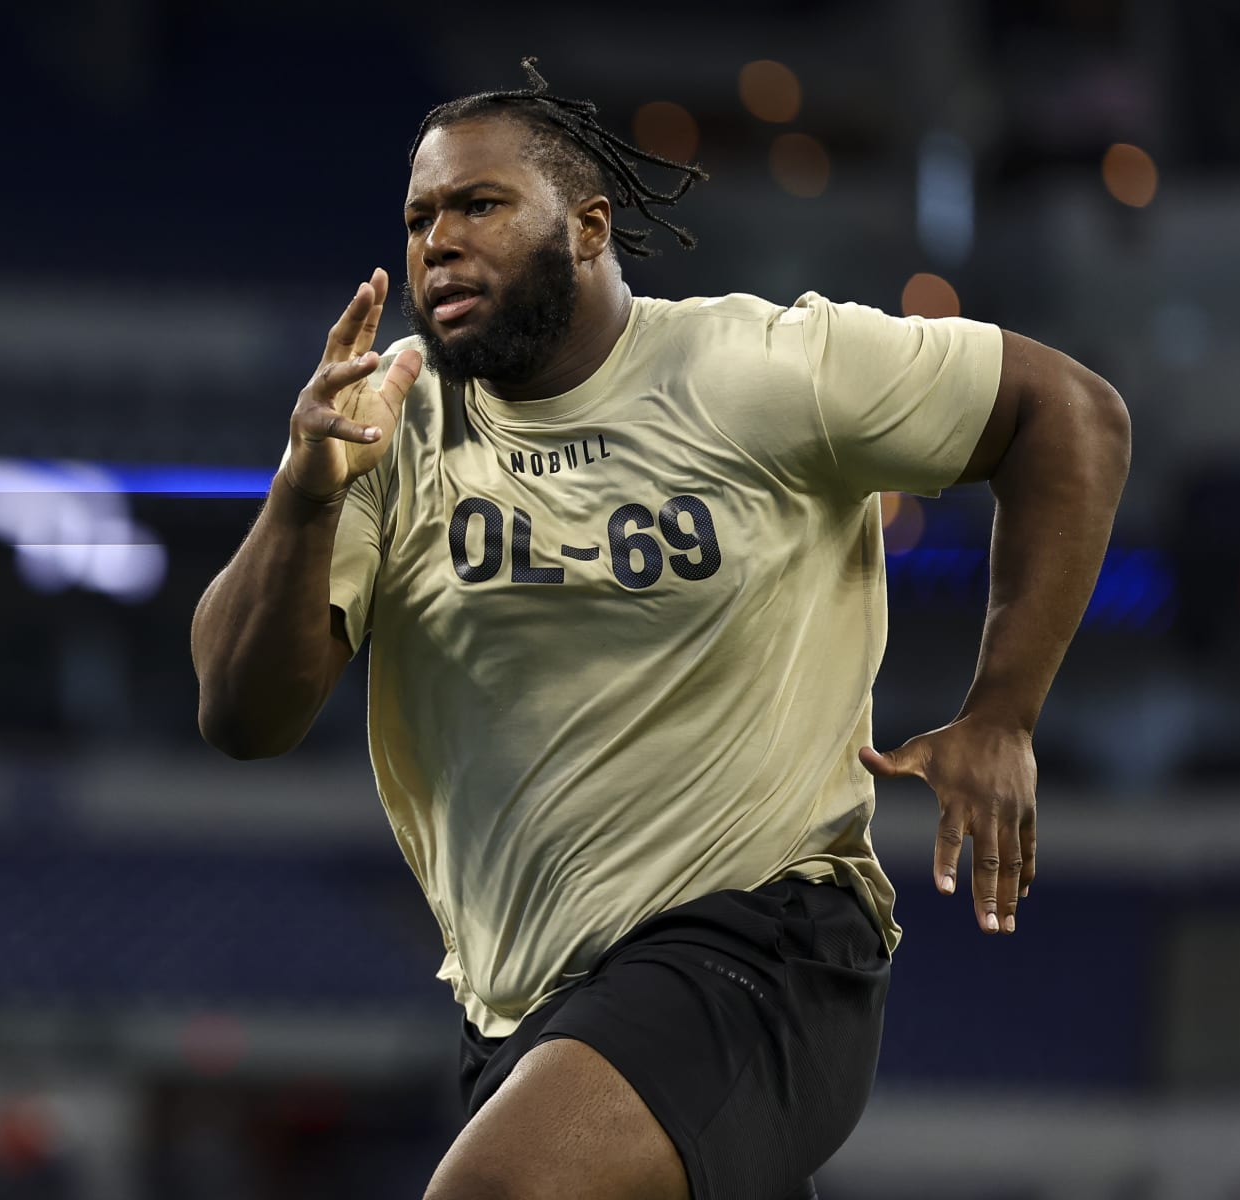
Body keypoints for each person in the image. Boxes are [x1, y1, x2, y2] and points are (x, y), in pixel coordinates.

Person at [192, 59, 1130, 1200]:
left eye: (479, 206)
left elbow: (1070, 413)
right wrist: (303, 497)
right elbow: (242, 715)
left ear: (588, 228)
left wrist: (1004, 710)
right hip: (527, 1017)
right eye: (419, 217)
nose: (438, 240)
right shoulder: (395, 433)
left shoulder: (759, 368)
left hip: (762, 947)